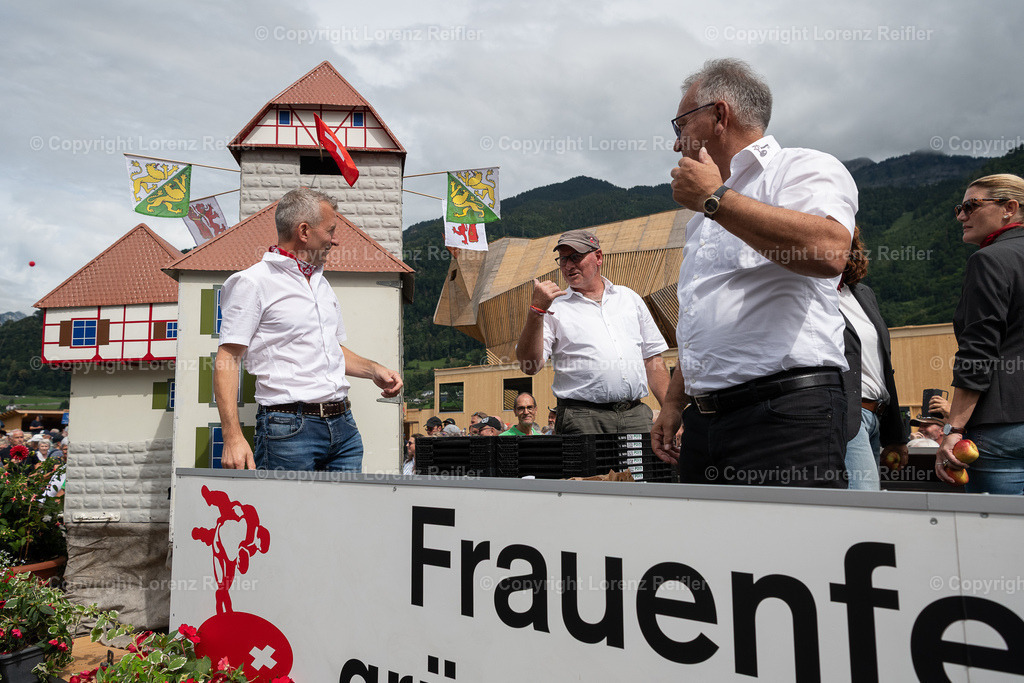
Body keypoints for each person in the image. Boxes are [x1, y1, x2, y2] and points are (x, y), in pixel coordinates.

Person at [651, 58, 857, 488]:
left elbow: (829, 251)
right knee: (704, 552)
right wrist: (673, 403)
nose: (677, 144)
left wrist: (714, 199)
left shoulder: (802, 168)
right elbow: (702, 321)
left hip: (785, 414)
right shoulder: (701, 220)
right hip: (706, 421)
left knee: (789, 549)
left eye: (681, 125)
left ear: (719, 115)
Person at [215, 187, 403, 471]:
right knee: (286, 516)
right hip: (287, 430)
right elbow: (227, 357)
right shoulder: (251, 282)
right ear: (304, 231)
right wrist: (231, 436)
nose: (335, 240)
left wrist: (373, 369)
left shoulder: (321, 283)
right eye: (331, 230)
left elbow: (332, 349)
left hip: (344, 428)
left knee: (345, 515)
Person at [516, 229, 670, 434]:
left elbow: (652, 359)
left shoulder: (629, 298)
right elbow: (530, 366)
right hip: (582, 418)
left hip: (636, 415)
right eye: (563, 259)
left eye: (576, 257)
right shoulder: (554, 307)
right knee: (588, 468)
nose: (568, 265)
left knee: (643, 467)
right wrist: (536, 311)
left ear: (598, 257)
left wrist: (670, 411)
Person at [936, 174, 1024, 494]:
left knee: (998, 538)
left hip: (1004, 429)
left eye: (971, 206)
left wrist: (954, 428)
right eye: (960, 207)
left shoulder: (988, 261)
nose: (961, 215)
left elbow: (978, 351)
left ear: (1009, 208)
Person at [839, 227, 909, 489]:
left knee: (868, 503)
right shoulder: (810, 291)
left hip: (875, 419)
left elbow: (883, 369)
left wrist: (896, 435)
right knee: (866, 505)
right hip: (846, 416)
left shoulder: (862, 293)